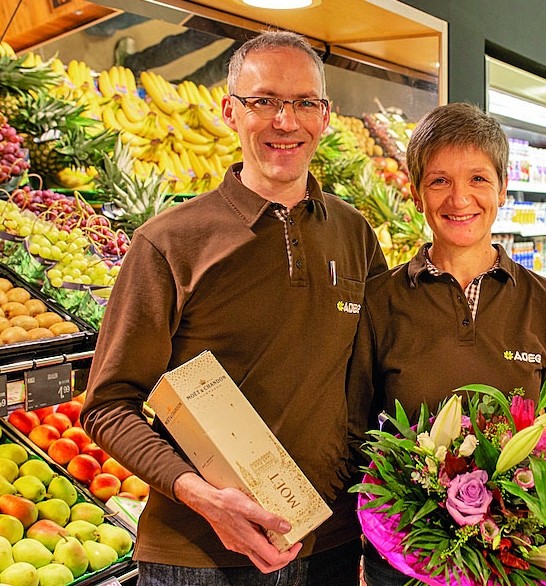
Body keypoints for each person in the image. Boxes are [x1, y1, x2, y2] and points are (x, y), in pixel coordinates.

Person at [80, 30, 387, 586]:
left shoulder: (355, 235)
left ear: (324, 115)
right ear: (230, 111)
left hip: (328, 548)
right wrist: (204, 498)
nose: (285, 122)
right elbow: (108, 406)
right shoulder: (170, 242)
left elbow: (371, 384)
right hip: (196, 558)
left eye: (303, 104)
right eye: (263, 101)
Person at [346, 102, 546, 586]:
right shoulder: (379, 301)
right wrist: (398, 520)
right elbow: (355, 433)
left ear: (503, 189)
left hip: (512, 558)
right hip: (406, 560)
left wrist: (528, 502)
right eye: (439, 180)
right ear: (417, 196)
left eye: (478, 179)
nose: (459, 198)